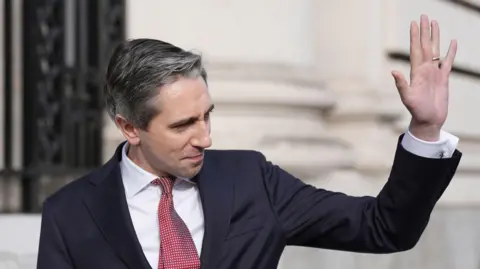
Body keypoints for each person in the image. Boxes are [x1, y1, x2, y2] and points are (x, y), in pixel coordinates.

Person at [36, 15, 462, 269]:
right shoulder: (69, 213)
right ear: (130, 127)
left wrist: (424, 129)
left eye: (207, 115)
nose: (205, 137)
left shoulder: (251, 178)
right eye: (183, 124)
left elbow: (384, 228)